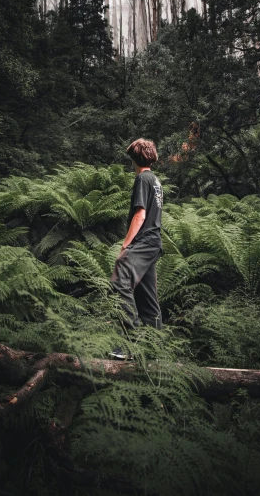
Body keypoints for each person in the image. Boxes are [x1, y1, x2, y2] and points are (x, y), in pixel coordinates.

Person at [109, 138, 163, 359]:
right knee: (147, 298)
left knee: (119, 282)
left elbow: (140, 214)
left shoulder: (142, 178)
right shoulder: (156, 180)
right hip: (153, 243)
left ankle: (131, 345)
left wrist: (125, 244)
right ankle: (154, 352)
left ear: (134, 159)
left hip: (143, 242)